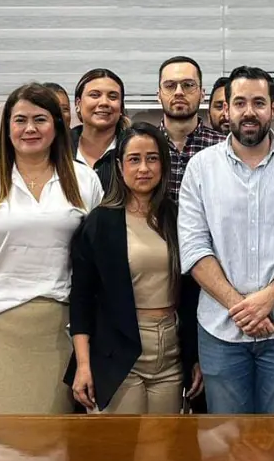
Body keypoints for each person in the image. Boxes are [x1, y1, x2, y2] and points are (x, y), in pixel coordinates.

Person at [178, 66, 274, 414]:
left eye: (259, 103)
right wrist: (242, 307)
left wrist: (267, 300)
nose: (249, 112)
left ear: (273, 110)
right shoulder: (201, 168)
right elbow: (194, 246)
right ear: (225, 109)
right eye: (240, 103)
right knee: (226, 443)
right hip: (220, 332)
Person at [0, 84, 104, 414]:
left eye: (40, 119)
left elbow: (96, 267)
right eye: (20, 120)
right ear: (6, 128)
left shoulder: (85, 181)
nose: (29, 129)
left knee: (52, 447)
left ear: (57, 125)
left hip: (59, 329)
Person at [68, 124, 203, 413]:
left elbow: (192, 292)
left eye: (152, 158)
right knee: (123, 450)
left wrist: (194, 356)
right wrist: (82, 365)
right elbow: (81, 300)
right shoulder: (100, 222)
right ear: (119, 166)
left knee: (162, 450)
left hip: (170, 349)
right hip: (119, 348)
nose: (144, 168)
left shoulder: (177, 217)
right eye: (134, 159)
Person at [155, 56, 224, 203]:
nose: (179, 92)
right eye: (169, 86)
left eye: (188, 85)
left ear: (202, 95)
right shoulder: (145, 145)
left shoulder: (224, 147)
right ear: (158, 95)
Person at [71, 68, 126, 188]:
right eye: (95, 95)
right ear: (78, 104)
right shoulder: (59, 147)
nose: (104, 103)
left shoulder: (131, 149)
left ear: (121, 107)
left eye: (112, 97)